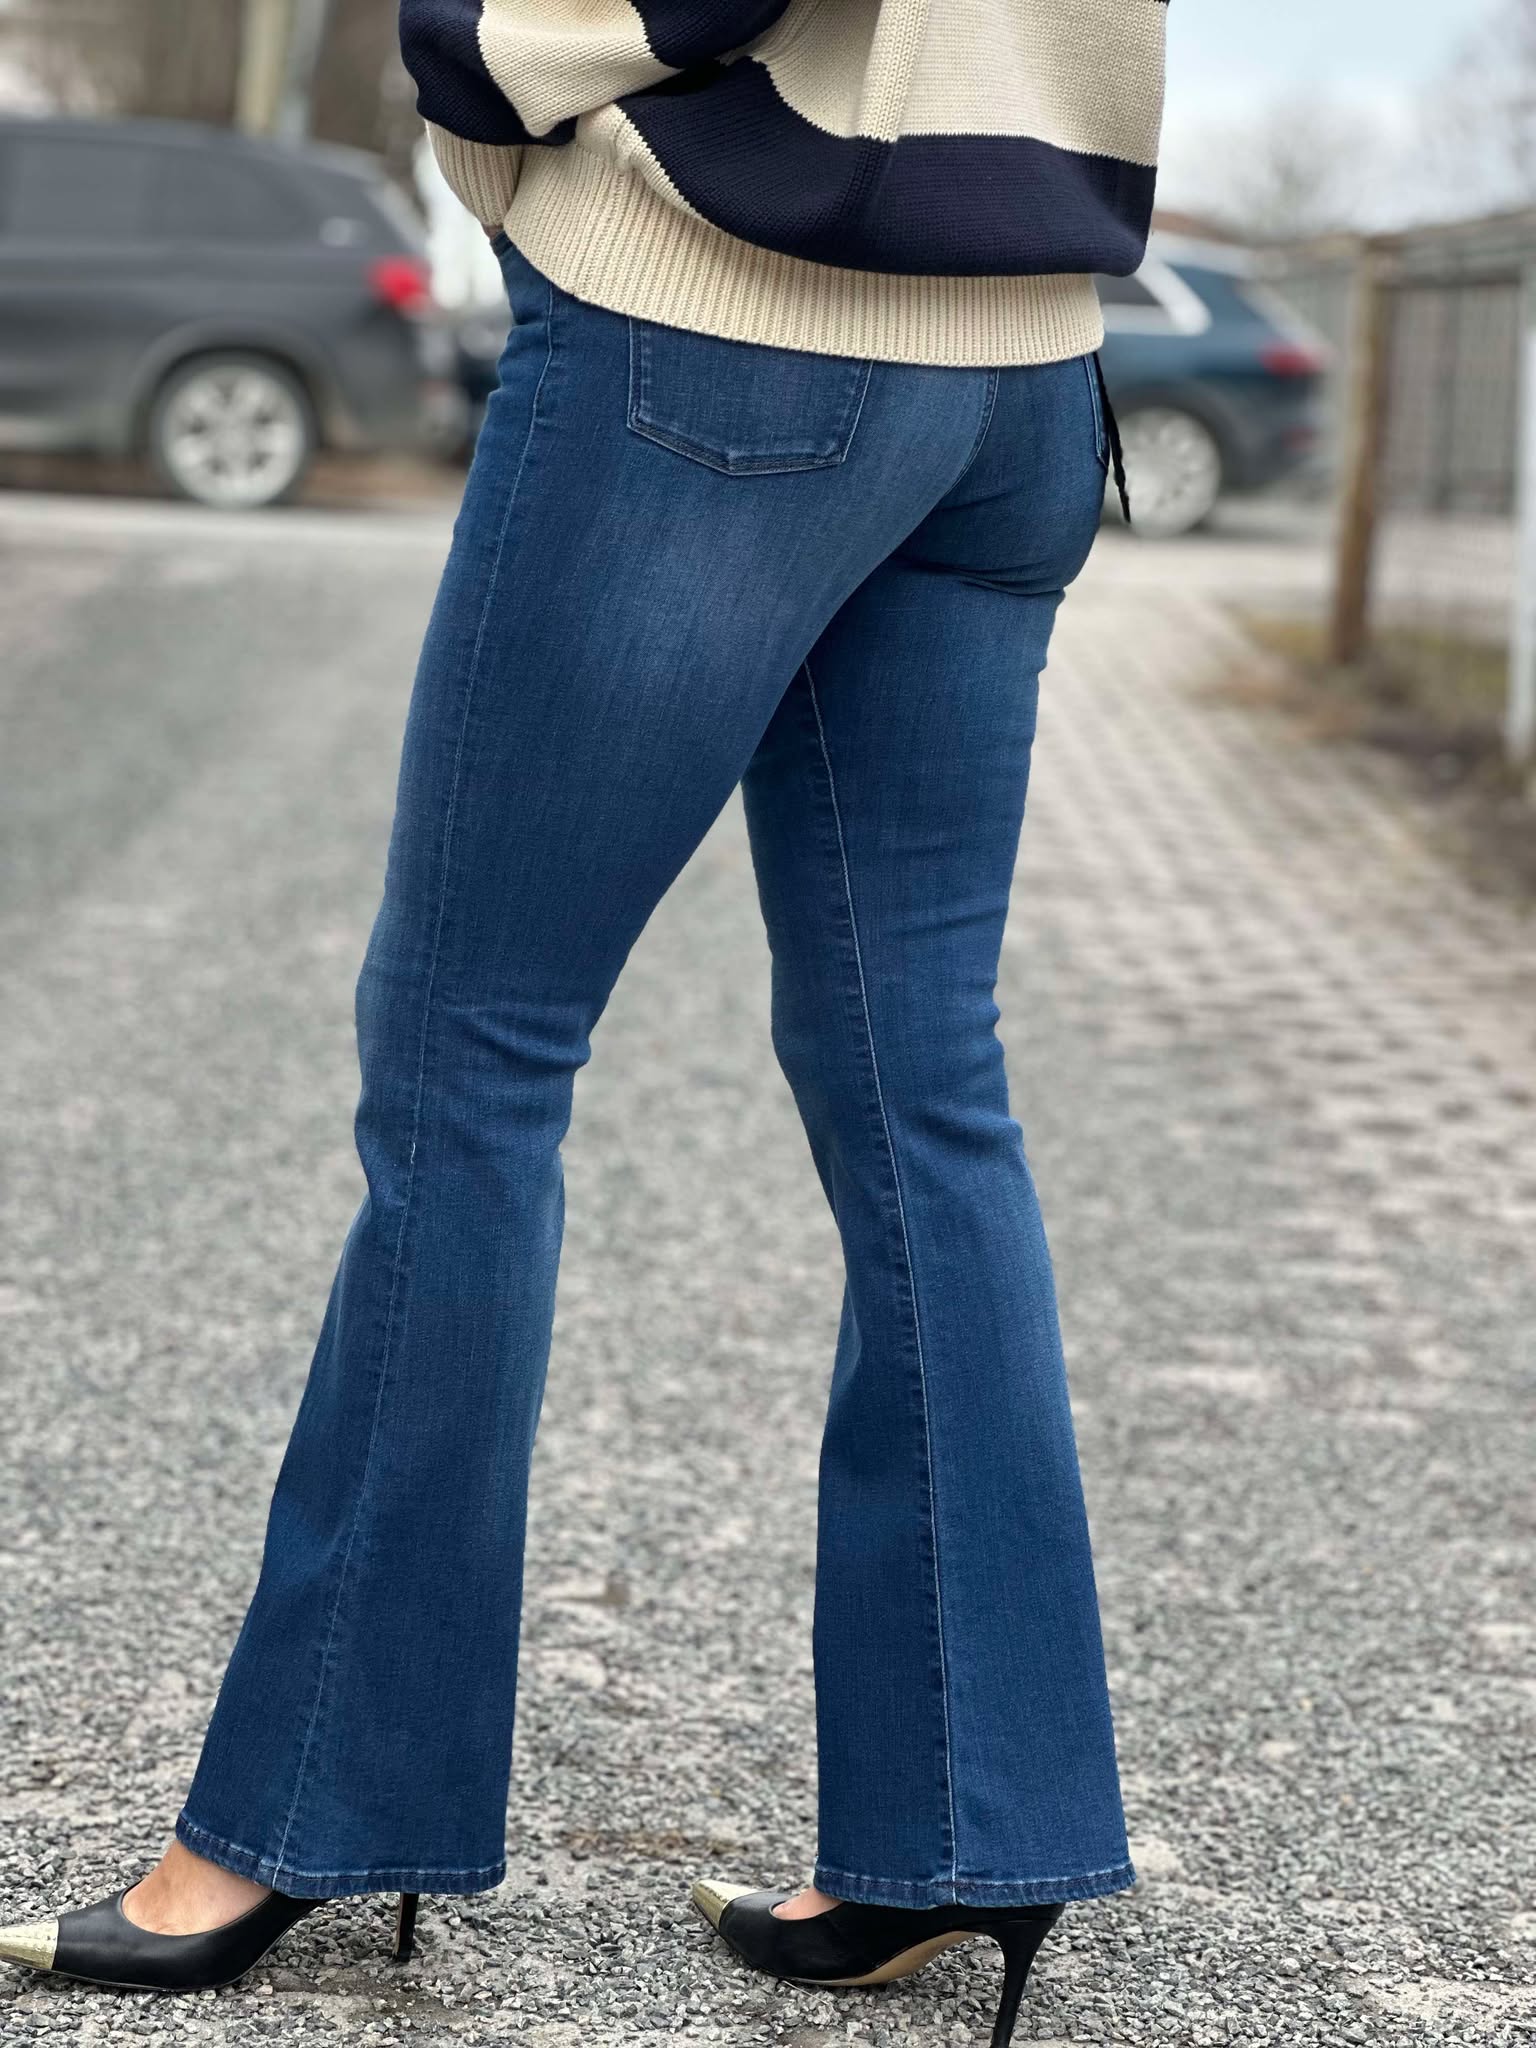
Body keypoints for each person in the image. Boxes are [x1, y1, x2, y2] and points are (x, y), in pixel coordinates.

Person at [0, 2, 1166, 2037]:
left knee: (472, 1062)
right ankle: (965, 1831)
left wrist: (477, 49)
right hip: (1019, 372)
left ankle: (312, 1809)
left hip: (725, 330)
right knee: (924, 1085)